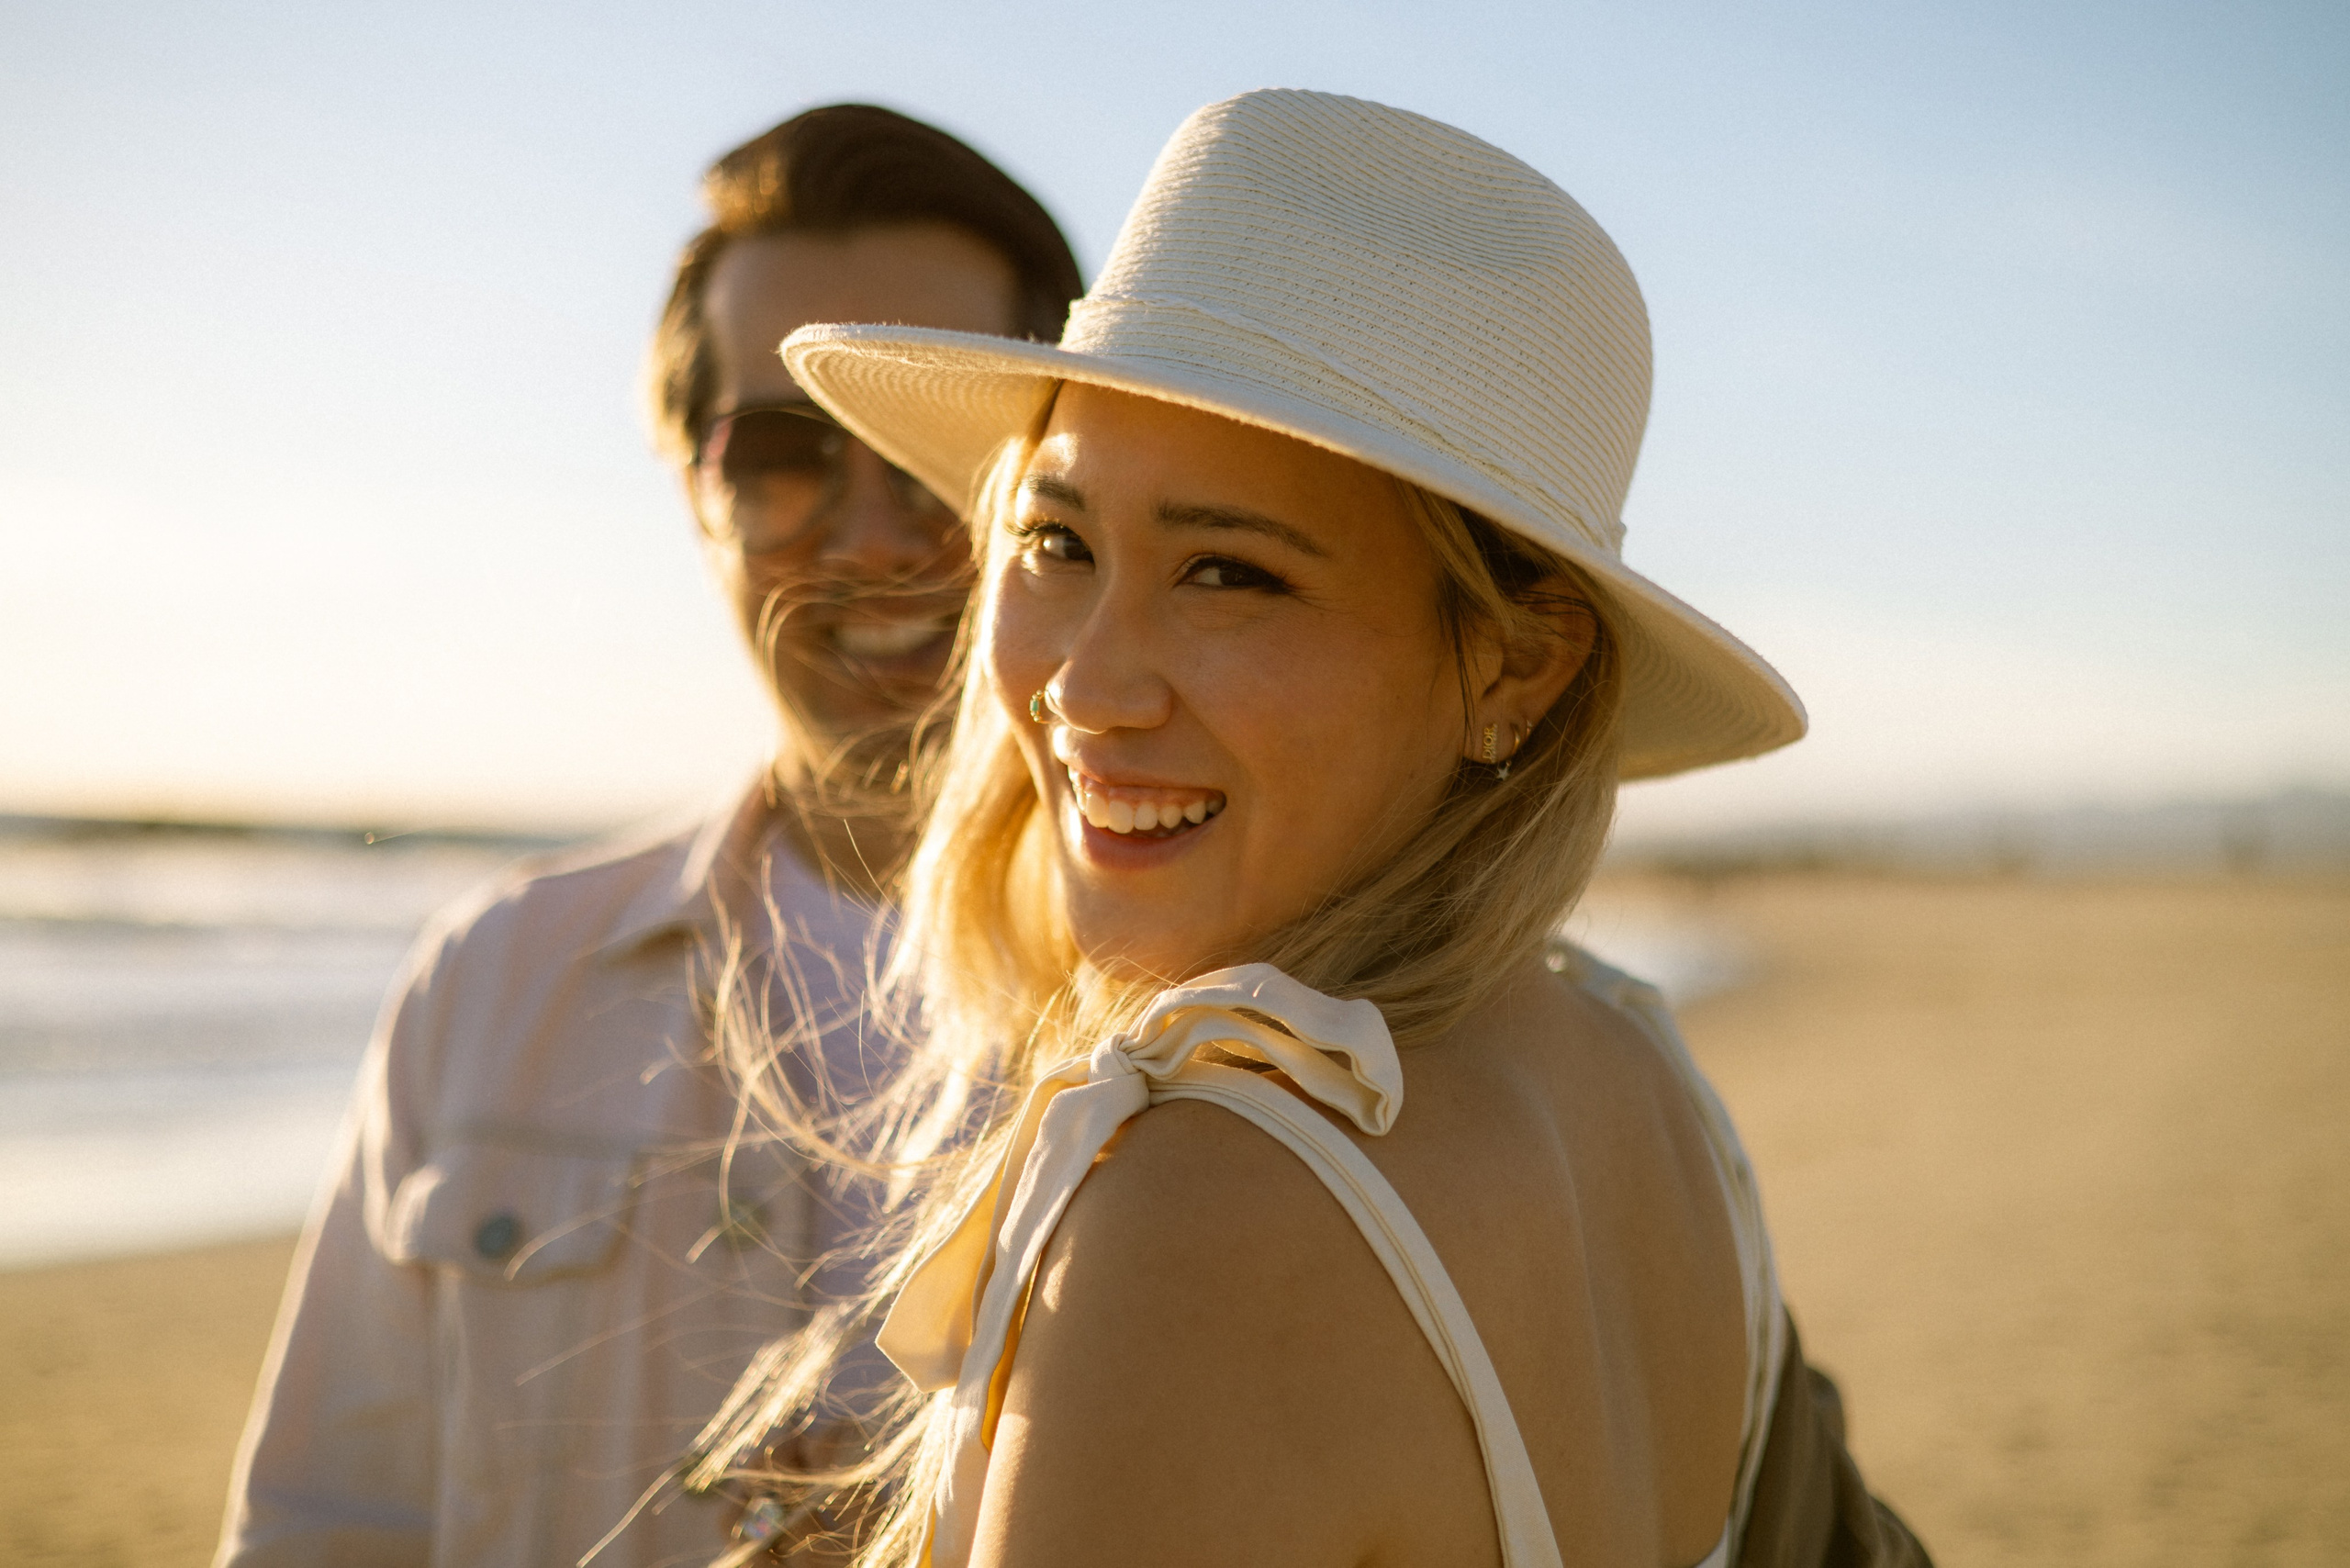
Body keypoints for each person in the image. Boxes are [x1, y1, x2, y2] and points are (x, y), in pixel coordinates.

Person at [695, 89, 1930, 1567]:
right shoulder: (1635, 1068)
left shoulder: (1198, 1216)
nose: (1084, 682)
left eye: (1231, 574)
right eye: (1057, 541)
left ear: (1515, 666)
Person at [213, 105, 1083, 1568]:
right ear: (696, 492)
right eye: (783, 452)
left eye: (934, 445)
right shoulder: (493, 982)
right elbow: (325, 1531)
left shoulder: (1243, 1012)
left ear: (1061, 480)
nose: (873, 537)